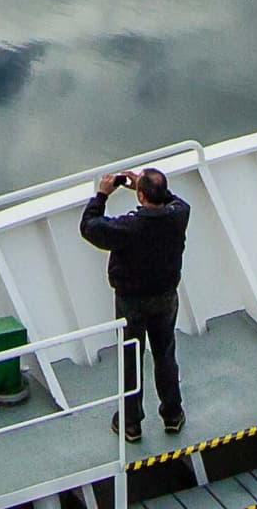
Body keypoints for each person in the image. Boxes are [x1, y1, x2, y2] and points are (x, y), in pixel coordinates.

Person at [79, 166, 189, 444]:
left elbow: (89, 227)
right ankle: (173, 414)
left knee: (131, 359)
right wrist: (147, 186)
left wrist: (102, 196)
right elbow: (178, 203)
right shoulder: (178, 216)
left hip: (131, 302)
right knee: (165, 355)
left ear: (140, 196)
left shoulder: (128, 228)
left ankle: (131, 424)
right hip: (165, 297)